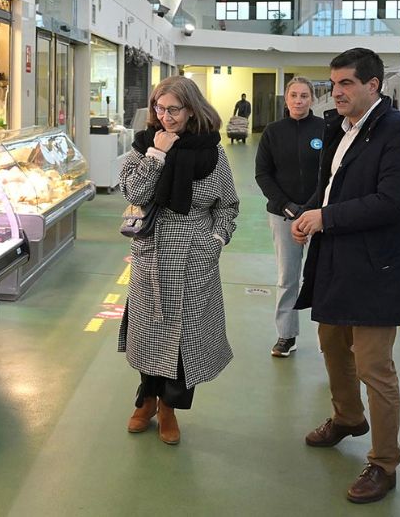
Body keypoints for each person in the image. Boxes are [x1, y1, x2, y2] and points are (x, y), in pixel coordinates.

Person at [290, 48, 400, 504]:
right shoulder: (340, 128)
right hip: (336, 261)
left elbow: (394, 202)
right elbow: (332, 187)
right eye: (333, 84)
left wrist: (325, 218)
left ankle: (384, 463)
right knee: (332, 345)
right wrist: (309, 212)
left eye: (346, 83)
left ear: (373, 85)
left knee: (373, 366)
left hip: (377, 269)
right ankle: (348, 417)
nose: (337, 92)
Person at [118, 76, 239, 445]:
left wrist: (215, 241)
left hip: (194, 256)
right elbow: (135, 193)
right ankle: (146, 400)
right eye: (159, 108)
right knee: (149, 333)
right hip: (152, 253)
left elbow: (227, 206)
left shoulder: (212, 153)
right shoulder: (144, 145)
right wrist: (157, 155)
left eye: (173, 109)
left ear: (191, 110)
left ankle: (170, 407)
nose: (165, 116)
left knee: (186, 338)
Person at [254, 77, 325, 357]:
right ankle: (286, 335)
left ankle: (328, 337)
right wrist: (288, 207)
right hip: (283, 217)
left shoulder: (325, 129)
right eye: (294, 95)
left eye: (304, 95)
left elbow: (329, 173)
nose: (299, 100)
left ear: (312, 99)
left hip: (319, 215)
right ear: (286, 98)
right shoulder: (273, 132)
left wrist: (311, 207)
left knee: (324, 275)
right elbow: (263, 174)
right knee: (288, 277)